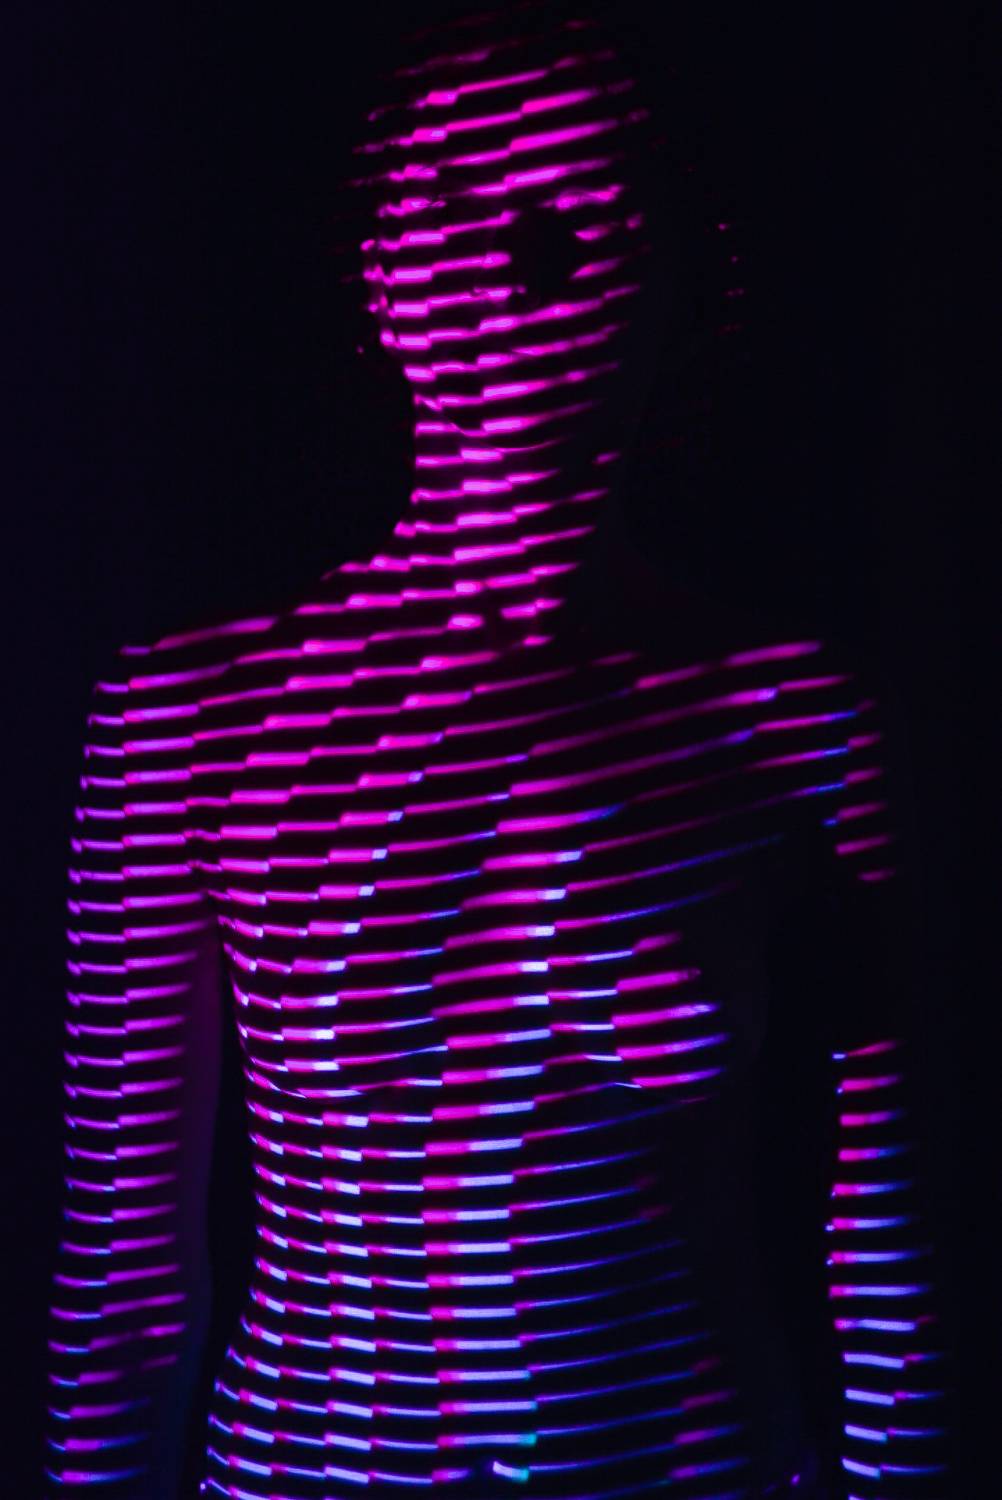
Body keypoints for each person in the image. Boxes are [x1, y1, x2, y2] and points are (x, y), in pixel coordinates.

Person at [42, 3, 951, 1495]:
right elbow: (125, 1267)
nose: (507, 267)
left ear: (674, 275)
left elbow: (896, 1237)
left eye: (569, 217)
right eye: (451, 208)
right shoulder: (190, 717)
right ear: (381, 272)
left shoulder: (789, 717)